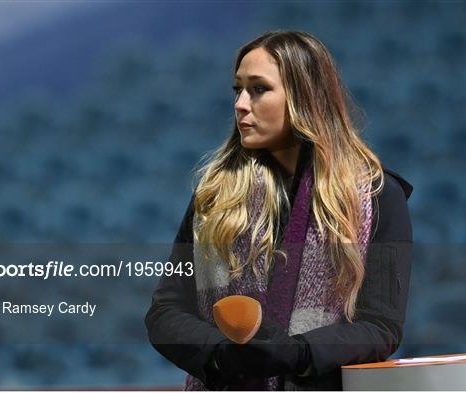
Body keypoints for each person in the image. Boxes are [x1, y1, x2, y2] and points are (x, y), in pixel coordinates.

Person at [145, 30, 413, 390]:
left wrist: (298, 353)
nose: (240, 104)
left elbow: (381, 326)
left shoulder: (378, 196)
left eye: (258, 89)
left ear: (305, 97)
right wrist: (221, 354)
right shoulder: (213, 196)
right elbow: (165, 312)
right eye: (237, 89)